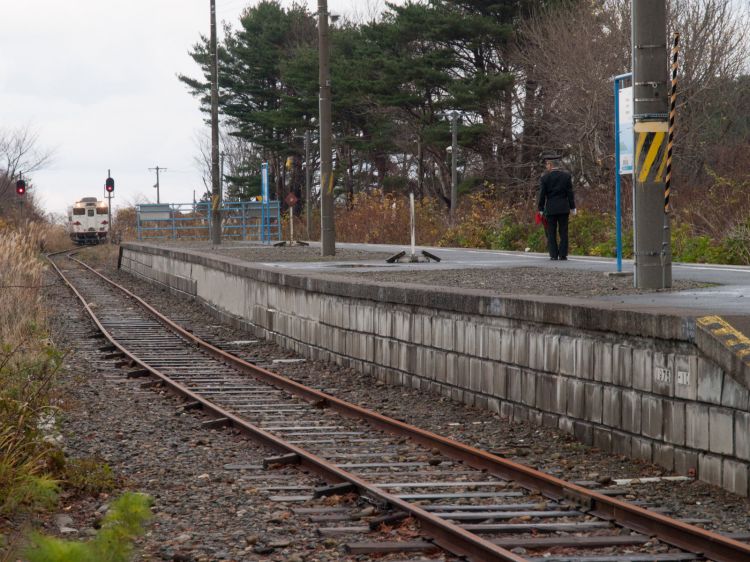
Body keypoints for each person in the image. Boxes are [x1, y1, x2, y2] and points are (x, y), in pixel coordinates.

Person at [537, 154, 576, 261]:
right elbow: (570, 193)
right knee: (563, 231)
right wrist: (573, 207)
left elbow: (542, 194)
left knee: (551, 232)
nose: (546, 166)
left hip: (551, 208)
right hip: (563, 208)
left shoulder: (545, 178)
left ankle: (553, 254)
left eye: (547, 164)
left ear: (550, 165)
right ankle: (563, 254)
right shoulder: (566, 177)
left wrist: (540, 208)